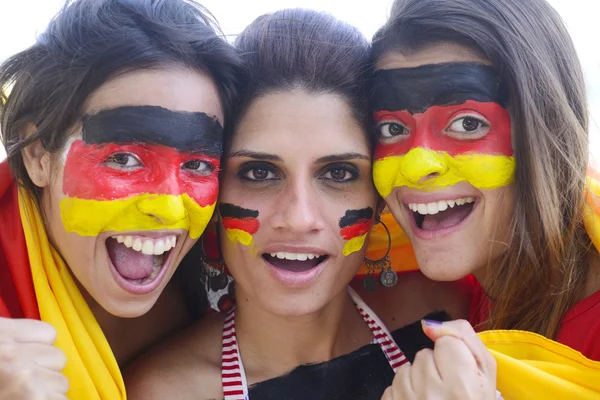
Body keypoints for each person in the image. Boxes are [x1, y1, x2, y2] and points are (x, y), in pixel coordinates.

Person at [125, 8, 476, 400]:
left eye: (338, 173)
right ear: (211, 192)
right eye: (259, 173)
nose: (298, 218)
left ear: (378, 199)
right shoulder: (161, 391)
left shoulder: (449, 320)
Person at [0, 0, 240, 398]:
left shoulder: (239, 265)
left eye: (197, 165)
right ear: (39, 155)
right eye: (124, 159)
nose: (168, 208)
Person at [369, 0, 600, 361]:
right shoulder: (443, 286)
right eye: (392, 128)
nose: (417, 165)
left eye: (467, 123)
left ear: (546, 131)